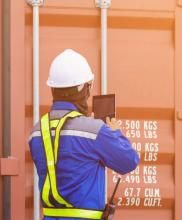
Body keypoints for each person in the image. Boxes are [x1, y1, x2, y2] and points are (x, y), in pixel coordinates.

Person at [29, 49, 140, 220]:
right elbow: (128, 161)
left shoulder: (36, 132)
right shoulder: (95, 131)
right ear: (83, 89)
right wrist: (113, 131)